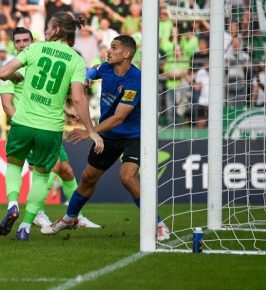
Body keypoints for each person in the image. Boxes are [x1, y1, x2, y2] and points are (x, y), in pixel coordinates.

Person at [42, 36, 171, 241]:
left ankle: (158, 223)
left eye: (114, 47)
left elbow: (119, 117)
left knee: (127, 176)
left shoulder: (135, 80)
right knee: (88, 177)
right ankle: (70, 217)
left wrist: (89, 131)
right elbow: (93, 70)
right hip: (109, 136)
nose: (108, 51)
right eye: (109, 47)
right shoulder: (106, 68)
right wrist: (86, 76)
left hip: (135, 136)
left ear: (127, 54)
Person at [0, 12, 103, 241]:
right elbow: (78, 97)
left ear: (55, 30)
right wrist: (92, 131)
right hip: (50, 127)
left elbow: (2, 72)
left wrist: (16, 78)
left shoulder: (35, 49)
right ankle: (25, 226)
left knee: (14, 165)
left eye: (47, 27)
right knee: (42, 177)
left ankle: (13, 204)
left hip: (23, 121)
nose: (44, 31)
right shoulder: (75, 59)